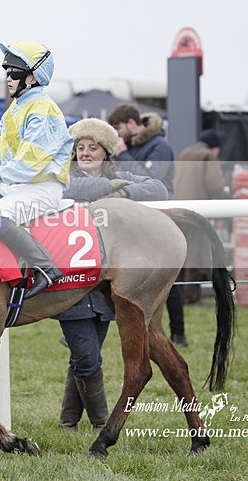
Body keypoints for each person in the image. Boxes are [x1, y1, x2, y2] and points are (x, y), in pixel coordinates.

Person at [55, 118, 169, 431]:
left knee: (84, 355)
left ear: (106, 153)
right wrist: (116, 189)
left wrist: (120, 188)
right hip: (70, 279)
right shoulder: (63, 176)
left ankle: (67, 422)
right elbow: (74, 189)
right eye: (80, 148)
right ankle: (101, 424)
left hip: (107, 282)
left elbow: (158, 189)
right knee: (88, 357)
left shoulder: (122, 175)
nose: (86, 153)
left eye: (93, 148)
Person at [0, 41, 73, 298]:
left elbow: (31, 160)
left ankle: (47, 269)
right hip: (17, 186)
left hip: (42, 187)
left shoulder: (42, 108)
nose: (8, 78)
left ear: (32, 77)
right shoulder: (14, 111)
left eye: (15, 72)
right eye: (6, 71)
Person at [107, 104, 186, 346]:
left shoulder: (160, 147)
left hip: (161, 219)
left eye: (118, 128)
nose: (117, 135)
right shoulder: (132, 146)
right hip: (138, 220)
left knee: (167, 282)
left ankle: (178, 333)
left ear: (132, 123)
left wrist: (122, 155)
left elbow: (153, 182)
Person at [173, 130, 230, 304]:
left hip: (177, 210)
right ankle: (191, 297)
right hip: (197, 211)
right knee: (195, 255)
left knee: (180, 254)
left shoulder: (185, 153)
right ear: (215, 148)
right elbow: (214, 185)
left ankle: (177, 296)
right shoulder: (208, 156)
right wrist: (224, 196)